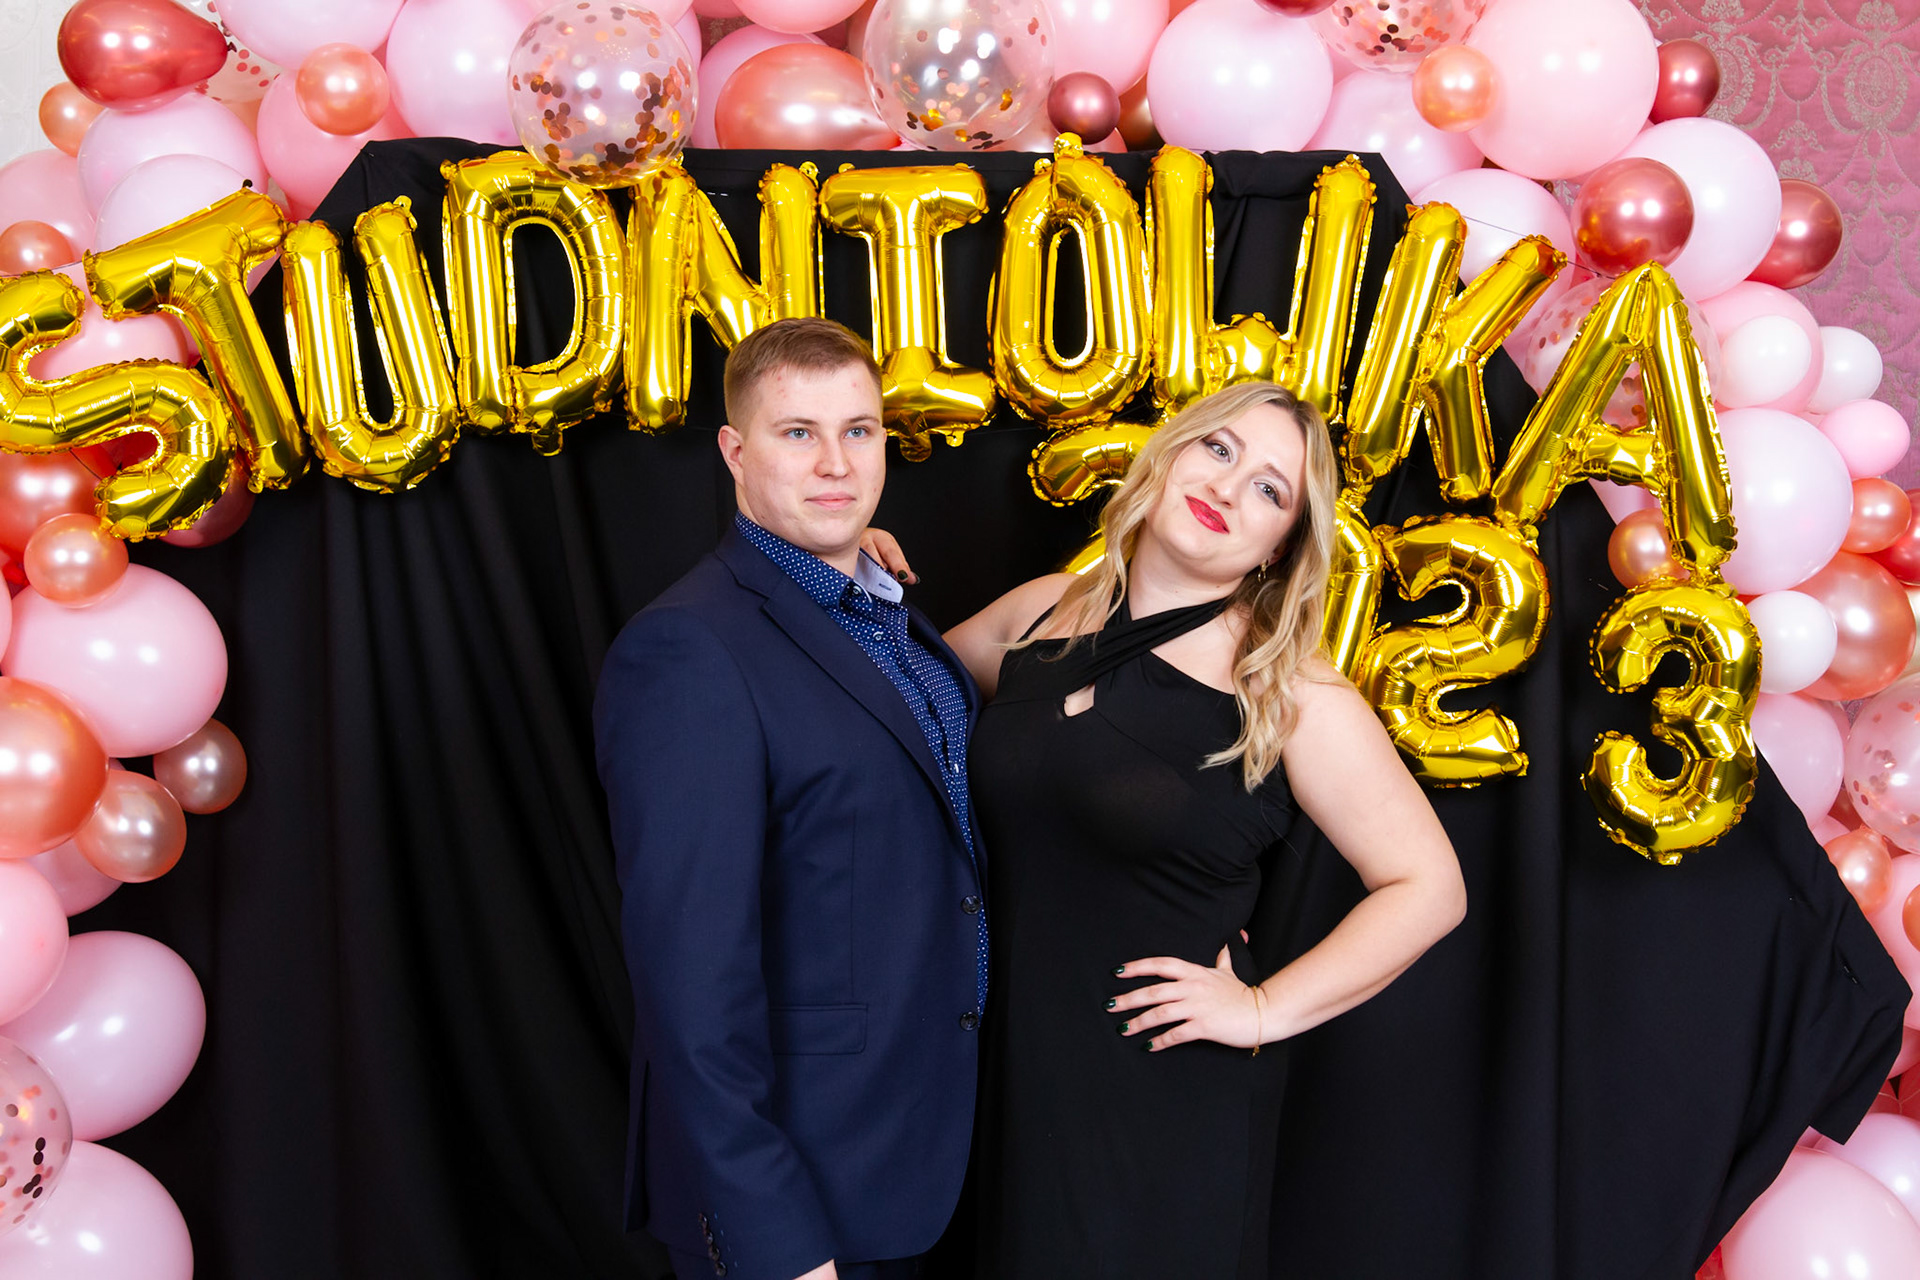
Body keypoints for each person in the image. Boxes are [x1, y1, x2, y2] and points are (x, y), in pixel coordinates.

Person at [868, 380, 1467, 1278]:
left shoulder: (1286, 690)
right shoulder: (1043, 610)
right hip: (1002, 1066)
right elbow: (886, 709)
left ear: (1279, 547)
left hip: (1157, 1092)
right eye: (1219, 449)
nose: (1228, 487)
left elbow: (1430, 887)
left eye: (1269, 489)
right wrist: (855, 575)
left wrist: (1262, 1010)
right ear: (1172, 454)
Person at [593, 318, 986, 1280]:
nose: (835, 464)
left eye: (858, 431)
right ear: (736, 452)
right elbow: (690, 982)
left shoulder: (886, 614)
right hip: (799, 1198)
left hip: (918, 1161)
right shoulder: (688, 650)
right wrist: (774, 1239)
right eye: (798, 433)